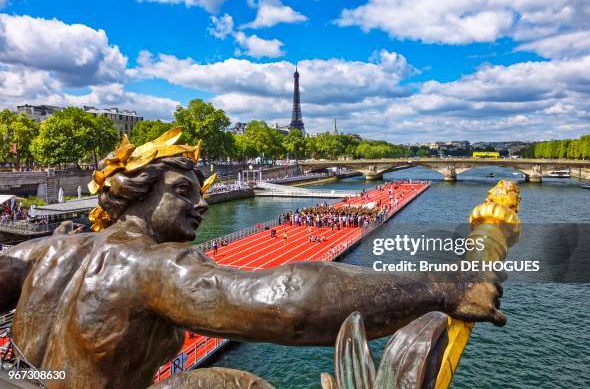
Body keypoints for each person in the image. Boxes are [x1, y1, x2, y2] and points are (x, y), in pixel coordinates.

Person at [0, 129, 504, 389]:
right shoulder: (149, 267)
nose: (200, 203)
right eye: (183, 190)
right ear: (135, 192)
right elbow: (288, 303)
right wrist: (444, 288)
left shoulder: (47, 250)